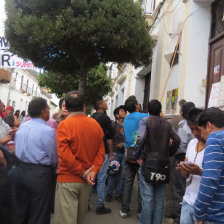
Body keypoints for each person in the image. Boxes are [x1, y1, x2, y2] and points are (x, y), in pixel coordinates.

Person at [54, 91, 105, 224]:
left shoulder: (64, 125)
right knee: (80, 219)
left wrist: (82, 173)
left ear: (66, 107)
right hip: (86, 180)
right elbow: (101, 153)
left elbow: (65, 155)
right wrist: (93, 171)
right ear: (84, 106)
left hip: (68, 179)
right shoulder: (95, 125)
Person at [13, 97, 57, 224]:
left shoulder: (22, 127)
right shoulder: (48, 131)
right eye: (48, 109)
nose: (49, 111)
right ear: (43, 112)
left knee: (21, 211)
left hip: (20, 171)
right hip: (39, 174)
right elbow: (53, 157)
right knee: (40, 213)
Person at [138, 100, 180, 224]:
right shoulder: (167, 124)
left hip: (148, 163)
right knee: (160, 199)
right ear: (160, 110)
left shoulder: (145, 121)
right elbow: (177, 139)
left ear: (147, 110)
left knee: (147, 199)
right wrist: (169, 153)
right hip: (163, 164)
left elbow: (140, 140)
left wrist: (136, 155)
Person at [120, 95, 148, 218]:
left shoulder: (125, 119)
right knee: (142, 183)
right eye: (138, 102)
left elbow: (125, 136)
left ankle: (124, 210)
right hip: (141, 154)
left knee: (127, 182)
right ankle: (140, 211)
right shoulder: (144, 116)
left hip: (128, 153)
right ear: (136, 105)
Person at [194, 108, 224, 224]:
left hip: (216, 215)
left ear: (209, 125)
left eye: (201, 130)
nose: (201, 135)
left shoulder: (215, 138)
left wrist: (199, 212)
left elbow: (210, 180)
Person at [176, 108, 205, 224]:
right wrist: (185, 170)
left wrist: (199, 171)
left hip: (203, 205)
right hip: (187, 201)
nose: (195, 133)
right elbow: (185, 175)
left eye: (197, 129)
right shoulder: (192, 144)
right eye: (192, 129)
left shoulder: (214, 148)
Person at [90, 96, 114, 214]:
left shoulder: (92, 117)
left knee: (91, 177)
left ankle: (87, 204)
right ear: (101, 105)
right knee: (101, 179)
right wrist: (111, 153)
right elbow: (109, 139)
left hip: (91, 152)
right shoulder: (106, 118)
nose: (106, 103)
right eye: (104, 102)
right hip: (102, 151)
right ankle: (100, 205)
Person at [173, 101, 195, 224]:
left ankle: (178, 216)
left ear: (182, 113)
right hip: (193, 161)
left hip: (183, 160)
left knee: (179, 189)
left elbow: (181, 145)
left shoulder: (183, 125)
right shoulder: (197, 124)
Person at [106, 105, 127, 202]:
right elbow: (109, 140)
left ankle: (119, 194)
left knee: (122, 176)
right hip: (115, 153)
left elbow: (133, 138)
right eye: (122, 111)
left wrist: (124, 144)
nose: (125, 112)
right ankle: (109, 193)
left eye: (125, 111)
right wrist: (111, 154)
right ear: (117, 115)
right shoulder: (113, 125)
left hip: (125, 155)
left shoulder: (128, 125)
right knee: (112, 173)